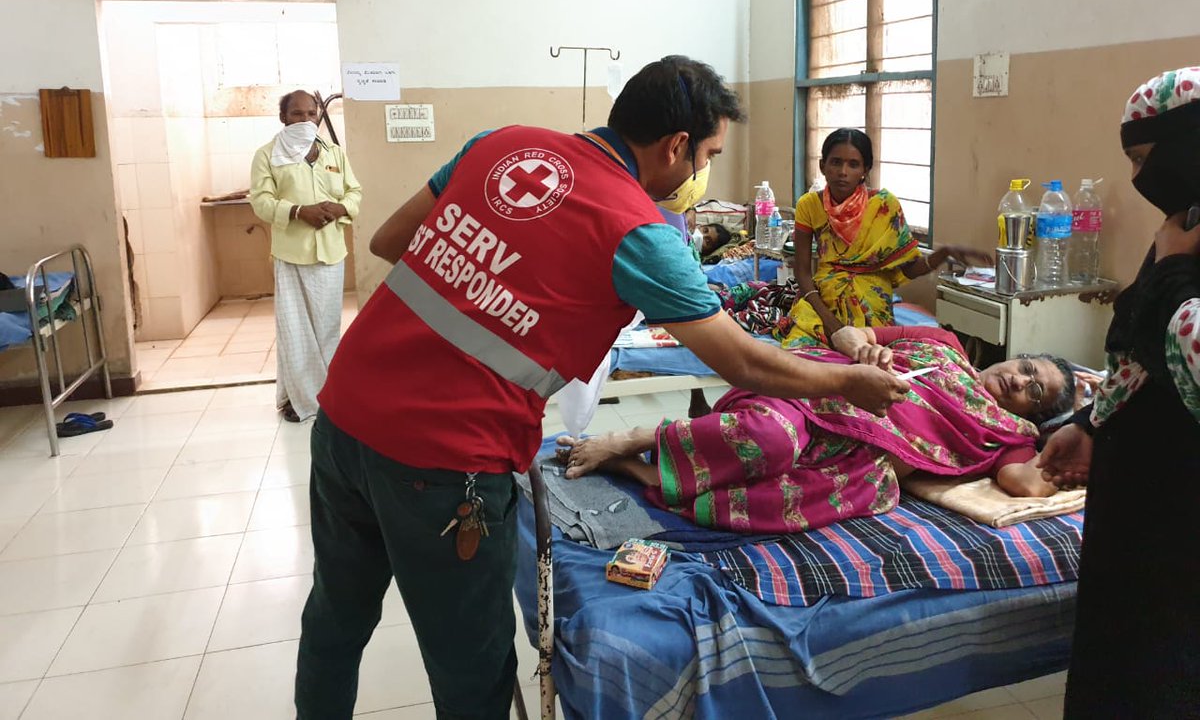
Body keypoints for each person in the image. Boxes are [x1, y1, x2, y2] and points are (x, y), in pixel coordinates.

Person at [293, 56, 910, 719]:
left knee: (336, 617)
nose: (703, 172)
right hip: (446, 461)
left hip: (344, 417)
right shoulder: (637, 230)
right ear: (676, 147)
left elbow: (390, 240)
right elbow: (746, 365)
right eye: (707, 154)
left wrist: (497, 278)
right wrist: (846, 381)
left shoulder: (499, 145)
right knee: (469, 667)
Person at [559, 324, 1074, 533]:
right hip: (818, 394)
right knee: (771, 440)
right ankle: (636, 438)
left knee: (844, 491)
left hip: (854, 459)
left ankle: (649, 476)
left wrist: (1081, 439)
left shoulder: (1008, 435)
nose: (1019, 382)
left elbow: (1024, 484)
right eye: (1028, 368)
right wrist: (861, 351)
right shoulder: (943, 345)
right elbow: (848, 331)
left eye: (1036, 392)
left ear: (1034, 415)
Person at [1038, 67, 1200, 717]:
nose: (1137, 179)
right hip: (1139, 509)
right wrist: (1090, 422)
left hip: (1182, 522)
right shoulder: (1183, 220)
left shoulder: (1182, 243)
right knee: (1121, 664)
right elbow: (1137, 352)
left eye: (1143, 158)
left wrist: (1176, 275)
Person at [779, 128, 990, 347]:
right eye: (836, 162)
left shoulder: (884, 206)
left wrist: (943, 254)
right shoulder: (809, 205)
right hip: (823, 301)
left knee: (873, 361)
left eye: (853, 164)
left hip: (873, 306)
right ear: (823, 166)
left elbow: (909, 268)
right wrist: (829, 321)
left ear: (865, 170)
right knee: (799, 354)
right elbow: (802, 271)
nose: (843, 171)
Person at [249, 90, 362, 424]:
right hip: (292, 254)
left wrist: (340, 208)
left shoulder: (334, 153)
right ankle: (297, 401)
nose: (305, 120)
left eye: (311, 114)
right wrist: (299, 211)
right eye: (297, 114)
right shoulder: (267, 155)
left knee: (326, 329)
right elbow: (261, 202)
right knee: (295, 330)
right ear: (283, 118)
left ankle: (326, 396)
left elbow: (354, 191)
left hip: (330, 252)